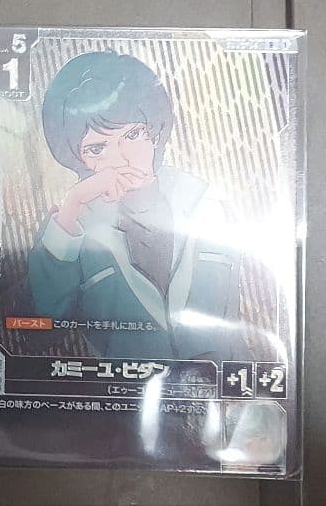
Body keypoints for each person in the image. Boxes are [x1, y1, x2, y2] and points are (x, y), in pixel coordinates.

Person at [29, 51, 249, 362]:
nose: (121, 158)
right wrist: (73, 203)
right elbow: (39, 328)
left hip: (218, 386)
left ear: (155, 133)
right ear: (78, 158)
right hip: (121, 388)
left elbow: (237, 325)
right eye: (97, 148)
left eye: (133, 134)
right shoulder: (71, 228)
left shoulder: (211, 208)